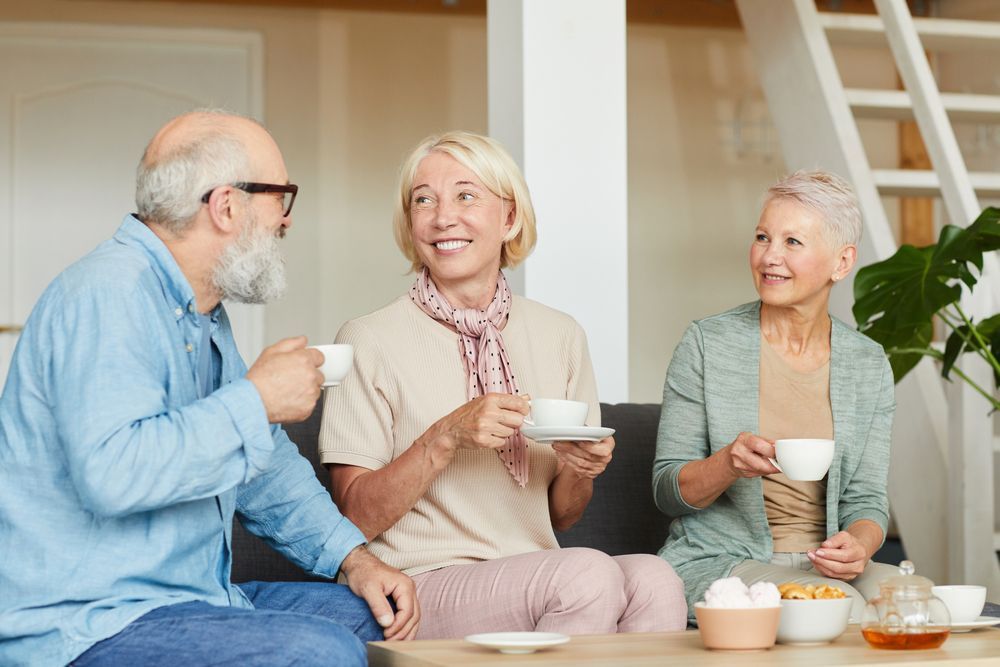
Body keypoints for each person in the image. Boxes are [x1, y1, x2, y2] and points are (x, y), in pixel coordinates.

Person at [0, 110, 418, 667]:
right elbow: (112, 473)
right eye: (281, 198)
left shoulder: (203, 314)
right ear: (226, 206)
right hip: (88, 620)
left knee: (372, 619)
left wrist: (354, 560)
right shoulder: (108, 295)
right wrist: (255, 400)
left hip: (193, 601)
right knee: (318, 651)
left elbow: (264, 471)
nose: (287, 221)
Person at [319, 130, 688, 639]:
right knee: (585, 574)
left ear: (509, 217)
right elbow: (353, 518)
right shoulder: (367, 339)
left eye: (465, 195)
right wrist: (444, 436)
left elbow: (561, 517)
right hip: (419, 581)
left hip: (534, 570)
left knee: (656, 579)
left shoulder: (560, 334)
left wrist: (580, 471)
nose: (443, 216)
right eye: (423, 200)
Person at [653, 170, 899, 621]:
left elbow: (866, 500)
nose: (770, 256)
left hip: (825, 567)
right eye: (763, 237)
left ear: (842, 263)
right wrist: (727, 463)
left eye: (792, 242)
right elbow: (667, 491)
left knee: (919, 604)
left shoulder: (868, 364)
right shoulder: (708, 344)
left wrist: (859, 545)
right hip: (721, 562)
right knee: (841, 612)